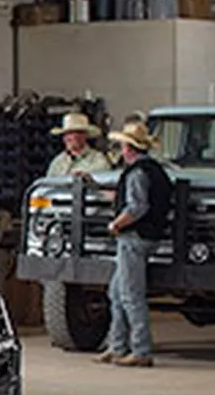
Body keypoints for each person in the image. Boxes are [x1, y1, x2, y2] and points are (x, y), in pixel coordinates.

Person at [100, 119, 172, 368]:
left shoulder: (137, 173)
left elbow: (137, 206)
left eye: (122, 146)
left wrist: (116, 224)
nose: (121, 151)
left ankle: (140, 349)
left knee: (130, 294)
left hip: (134, 237)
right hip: (147, 236)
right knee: (117, 292)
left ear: (129, 149)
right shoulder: (155, 171)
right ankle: (116, 345)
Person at [40, 111, 112, 344]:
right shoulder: (58, 163)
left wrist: (88, 181)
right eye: (67, 134)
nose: (70, 138)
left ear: (84, 136)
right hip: (62, 224)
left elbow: (106, 191)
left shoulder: (99, 161)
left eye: (75, 134)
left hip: (92, 224)